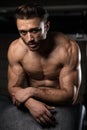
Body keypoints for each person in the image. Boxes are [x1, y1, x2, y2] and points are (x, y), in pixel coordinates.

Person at [6, 3, 82, 130]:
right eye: (23, 32)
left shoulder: (68, 49)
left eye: (34, 30)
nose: (29, 38)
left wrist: (32, 91)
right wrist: (30, 103)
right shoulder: (16, 50)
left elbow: (70, 95)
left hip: (62, 107)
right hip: (32, 104)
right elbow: (14, 88)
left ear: (46, 26)